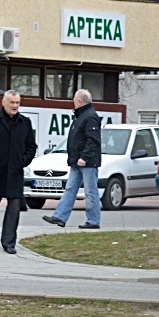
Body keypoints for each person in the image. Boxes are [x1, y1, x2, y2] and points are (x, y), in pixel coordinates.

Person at [0, 90, 38, 255]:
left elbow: (31, 146)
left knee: (15, 206)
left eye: (17, 103)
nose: (15, 106)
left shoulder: (25, 122)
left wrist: (22, 161)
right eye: (12, 102)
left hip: (15, 173)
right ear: (4, 102)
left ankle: (9, 242)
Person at [43, 89, 102, 230]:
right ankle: (60, 216)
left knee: (90, 191)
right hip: (76, 161)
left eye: (74, 100)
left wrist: (84, 157)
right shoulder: (80, 116)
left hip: (86, 162)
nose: (73, 102)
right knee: (70, 189)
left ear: (79, 101)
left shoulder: (90, 117)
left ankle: (93, 221)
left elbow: (93, 140)